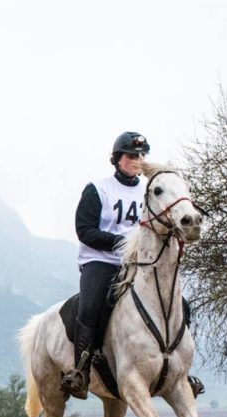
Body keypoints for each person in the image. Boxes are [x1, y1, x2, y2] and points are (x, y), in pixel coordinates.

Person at [61, 131, 150, 400]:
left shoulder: (150, 191)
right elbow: (84, 230)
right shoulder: (98, 189)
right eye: (131, 155)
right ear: (117, 159)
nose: (137, 160)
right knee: (91, 308)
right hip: (101, 260)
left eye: (142, 156)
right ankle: (80, 372)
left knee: (176, 303)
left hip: (140, 263)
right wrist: (122, 243)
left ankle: (178, 369)